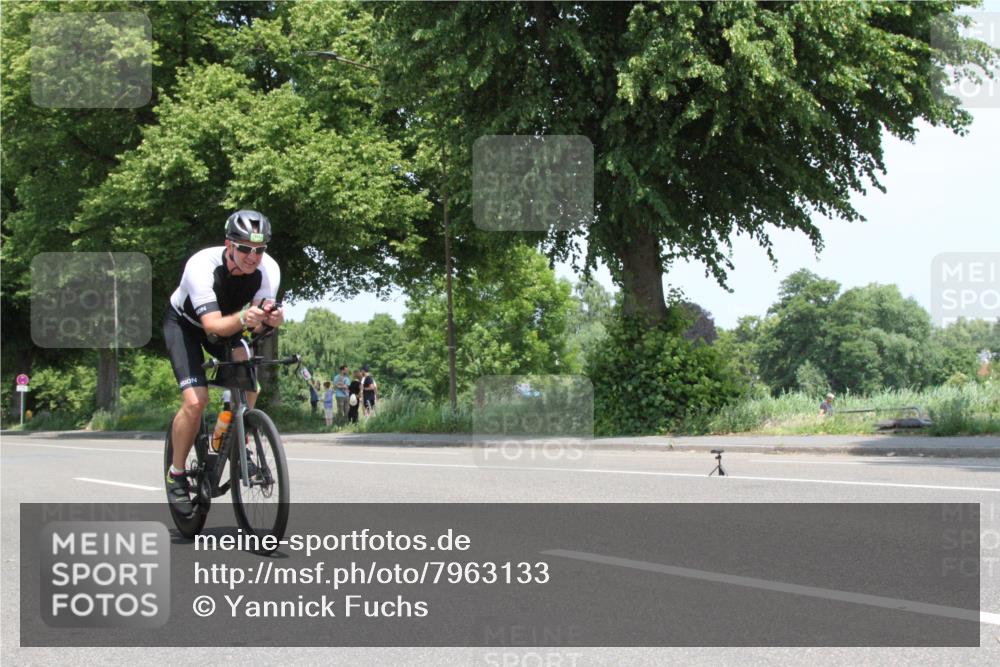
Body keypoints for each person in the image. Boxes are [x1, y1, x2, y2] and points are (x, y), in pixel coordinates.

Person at [163, 209, 283, 515]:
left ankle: (233, 439)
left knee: (249, 378)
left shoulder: (269, 270)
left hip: (227, 324)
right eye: (245, 248)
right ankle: (176, 474)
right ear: (228, 245)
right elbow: (212, 326)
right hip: (187, 325)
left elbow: (256, 326)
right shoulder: (201, 265)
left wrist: (270, 321)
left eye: (259, 250)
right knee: (195, 402)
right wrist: (245, 317)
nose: (253, 257)